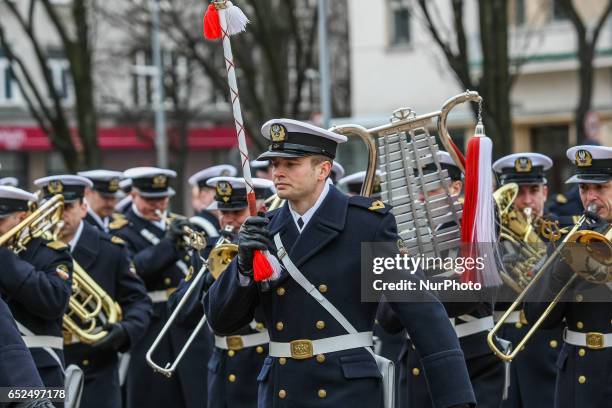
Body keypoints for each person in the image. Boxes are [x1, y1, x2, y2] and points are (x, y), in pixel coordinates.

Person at [205, 118, 475, 407]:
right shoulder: (264, 229)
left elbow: (421, 310)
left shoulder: (365, 224)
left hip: (345, 390)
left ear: (323, 169)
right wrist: (243, 269)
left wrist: (455, 399)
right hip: (281, 390)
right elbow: (221, 322)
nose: (278, 173)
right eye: (275, 164)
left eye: (291, 164)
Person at [378, 150, 505, 408]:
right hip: (416, 362)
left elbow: (468, 294)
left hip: (470, 359)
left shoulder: (473, 229)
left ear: (456, 187)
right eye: (419, 191)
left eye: (432, 190)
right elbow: (387, 318)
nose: (423, 199)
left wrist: (409, 286)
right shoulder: (403, 238)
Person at [35, 174, 153, 408]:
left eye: (67, 207)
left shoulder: (110, 249)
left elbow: (140, 302)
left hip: (97, 371)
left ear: (83, 207)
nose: (58, 215)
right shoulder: (31, 250)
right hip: (44, 368)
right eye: (51, 208)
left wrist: (124, 331)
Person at [170, 176, 273, 408]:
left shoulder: (273, 248)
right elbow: (181, 316)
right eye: (222, 213)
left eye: (236, 212)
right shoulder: (209, 251)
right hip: (221, 368)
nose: (228, 221)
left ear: (261, 209)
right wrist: (207, 279)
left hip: (261, 362)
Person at [111, 167, 210, 408]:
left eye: (163, 198)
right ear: (133, 196)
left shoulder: (178, 224)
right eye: (150, 199)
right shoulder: (121, 230)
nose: (158, 205)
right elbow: (132, 268)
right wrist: (168, 245)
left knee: (196, 391)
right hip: (151, 323)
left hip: (186, 319)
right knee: (154, 394)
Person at [524, 145, 612, 408]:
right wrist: (564, 262)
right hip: (578, 373)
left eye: (601, 188)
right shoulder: (568, 238)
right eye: (584, 189)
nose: (591, 198)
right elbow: (537, 316)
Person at [492, 152, 564, 408]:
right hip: (503, 345)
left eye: (534, 190)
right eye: (518, 193)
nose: (527, 200)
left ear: (545, 192)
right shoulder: (489, 238)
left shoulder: (564, 233)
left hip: (547, 345)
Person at [0, 184, 73, 407]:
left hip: (42, 369)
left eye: (0, 221)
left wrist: (5, 261)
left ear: (22, 217)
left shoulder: (50, 251)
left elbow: (54, 301)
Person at [189, 164, 238, 236]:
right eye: (220, 191)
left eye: (229, 190)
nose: (226, 195)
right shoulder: (197, 226)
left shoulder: (227, 221)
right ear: (203, 195)